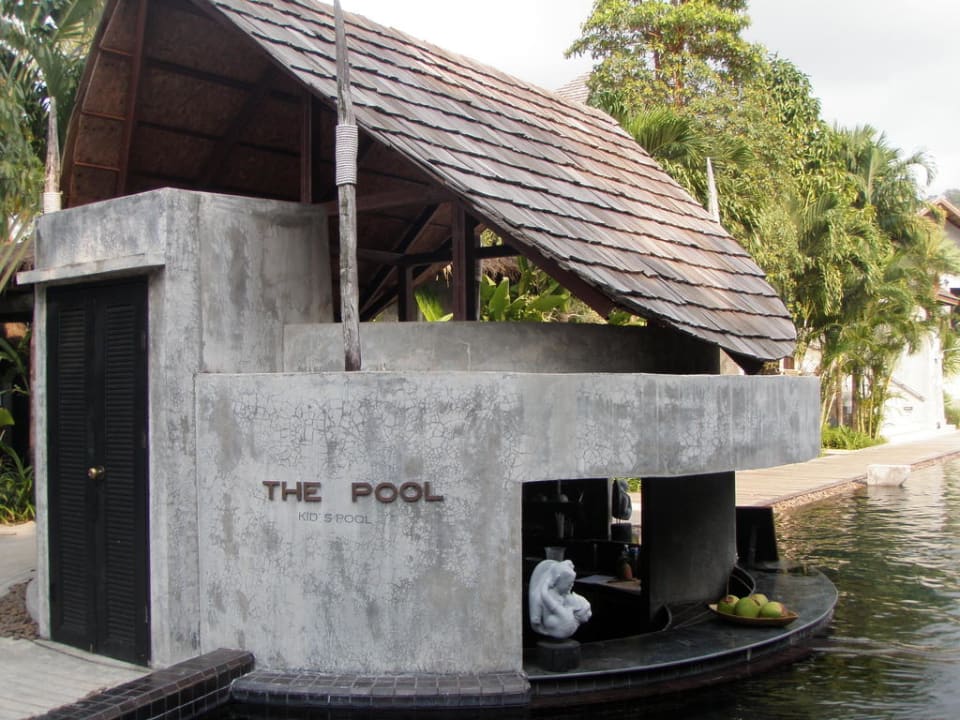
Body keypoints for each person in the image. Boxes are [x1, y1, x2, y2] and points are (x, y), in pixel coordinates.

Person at [528, 559, 592, 639]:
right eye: (569, 584)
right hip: (553, 626)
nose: (572, 586)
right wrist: (538, 624)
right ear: (558, 580)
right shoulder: (544, 595)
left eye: (572, 583)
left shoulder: (563, 594)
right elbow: (535, 619)